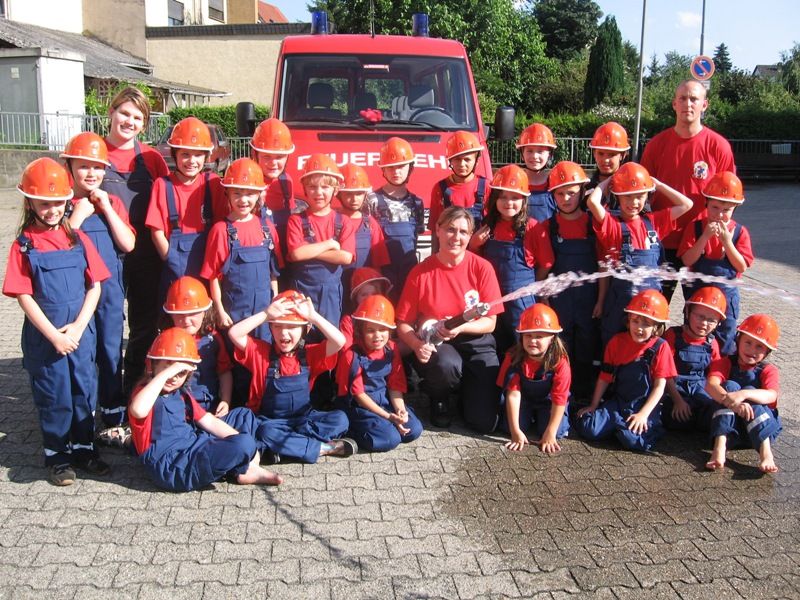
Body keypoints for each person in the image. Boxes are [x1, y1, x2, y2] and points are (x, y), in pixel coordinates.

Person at [3, 158, 112, 485]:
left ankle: (84, 449)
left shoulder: (77, 239)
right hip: (45, 340)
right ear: (30, 202)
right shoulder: (24, 245)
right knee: (55, 396)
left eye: (57, 203)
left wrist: (78, 327)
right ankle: (57, 456)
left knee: (83, 392)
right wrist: (54, 336)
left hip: (80, 336)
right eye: (44, 203)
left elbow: (95, 285)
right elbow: (24, 297)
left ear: (68, 201)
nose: (51, 209)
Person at [128, 328, 283, 492]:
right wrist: (244, 445)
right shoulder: (144, 392)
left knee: (243, 416)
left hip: (193, 445)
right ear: (152, 366)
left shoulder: (180, 393)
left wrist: (246, 448)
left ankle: (246, 467)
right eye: (167, 368)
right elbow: (138, 410)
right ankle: (239, 465)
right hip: (172, 466)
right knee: (243, 444)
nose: (173, 377)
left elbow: (207, 420)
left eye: (181, 373)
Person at [396, 206, 504, 431]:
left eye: (464, 232)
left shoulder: (482, 268)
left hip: (475, 340)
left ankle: (469, 393)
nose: (456, 237)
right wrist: (417, 345)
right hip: (439, 343)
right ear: (437, 230)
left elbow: (491, 322)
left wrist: (461, 328)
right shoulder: (421, 272)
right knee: (446, 366)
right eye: (450, 230)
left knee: (484, 423)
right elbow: (403, 323)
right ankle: (439, 397)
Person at [62, 132, 136, 446]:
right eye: (84, 166)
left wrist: (106, 209)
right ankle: (82, 421)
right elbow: (59, 245)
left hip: (108, 293)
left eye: (97, 167)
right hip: (76, 295)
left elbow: (129, 244)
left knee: (109, 353)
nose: (91, 173)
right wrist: (77, 217)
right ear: (69, 167)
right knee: (82, 357)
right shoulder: (61, 204)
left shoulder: (113, 201)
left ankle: (113, 416)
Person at [228, 290, 357, 464]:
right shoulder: (260, 352)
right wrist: (266, 314)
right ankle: (324, 448)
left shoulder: (310, 354)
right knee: (265, 432)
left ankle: (285, 449)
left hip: (303, 420)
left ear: (306, 329)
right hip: (272, 422)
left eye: (292, 327)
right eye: (278, 326)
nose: (284, 333)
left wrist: (313, 316)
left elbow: (339, 341)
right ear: (270, 328)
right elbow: (234, 333)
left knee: (341, 419)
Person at [100, 86, 169, 400]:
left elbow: (169, 202)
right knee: (108, 328)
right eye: (124, 113)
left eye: (137, 117)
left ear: (144, 124)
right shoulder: (93, 152)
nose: (129, 121)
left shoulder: (152, 159)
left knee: (142, 328)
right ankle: (108, 398)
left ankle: (132, 393)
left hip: (144, 256)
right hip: (103, 254)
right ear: (112, 112)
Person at [640, 79, 736, 302]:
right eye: (683, 98)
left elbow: (729, 198)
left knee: (701, 311)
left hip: (701, 243)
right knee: (654, 309)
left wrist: (723, 238)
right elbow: (643, 195)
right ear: (674, 104)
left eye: (694, 98)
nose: (688, 104)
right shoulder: (657, 145)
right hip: (664, 243)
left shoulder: (718, 146)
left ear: (705, 104)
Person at [585, 163, 692, 348]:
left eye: (639, 196)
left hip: (649, 304)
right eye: (627, 196)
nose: (633, 202)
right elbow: (592, 203)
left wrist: (657, 184)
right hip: (620, 304)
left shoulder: (654, 222)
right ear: (617, 196)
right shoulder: (613, 226)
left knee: (647, 348)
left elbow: (686, 204)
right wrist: (608, 182)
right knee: (614, 343)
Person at [575, 290, 677, 452]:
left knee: (633, 442)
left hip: (644, 405)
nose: (639, 328)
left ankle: (650, 427)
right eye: (636, 321)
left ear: (656, 327)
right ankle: (619, 427)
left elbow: (659, 387)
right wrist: (593, 405)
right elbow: (604, 377)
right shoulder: (616, 342)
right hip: (619, 402)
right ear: (628, 320)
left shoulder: (661, 347)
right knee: (589, 428)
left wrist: (643, 414)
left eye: (646, 324)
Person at [533, 161, 602, 399]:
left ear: (583, 191)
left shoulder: (594, 225)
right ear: (552, 195)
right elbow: (542, 269)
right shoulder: (546, 227)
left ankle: (583, 394)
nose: (566, 198)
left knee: (587, 346)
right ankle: (558, 395)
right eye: (560, 193)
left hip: (588, 299)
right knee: (560, 347)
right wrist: (543, 299)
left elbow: (603, 266)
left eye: (571, 192)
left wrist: (601, 301)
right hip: (559, 300)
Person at [145, 116, 227, 303]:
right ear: (175, 154)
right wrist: (170, 259)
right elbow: (156, 231)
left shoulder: (213, 183)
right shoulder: (162, 185)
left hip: (208, 267)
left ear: (206, 156)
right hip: (175, 269)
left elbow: (223, 225)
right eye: (185, 154)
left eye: (198, 155)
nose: (191, 161)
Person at [201, 157, 281, 339]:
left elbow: (273, 273)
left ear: (259, 194)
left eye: (250, 193)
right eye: (237, 193)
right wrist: (219, 310)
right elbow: (213, 276)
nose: (243, 200)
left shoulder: (267, 228)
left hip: (264, 315)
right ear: (227, 194)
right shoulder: (221, 230)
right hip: (234, 315)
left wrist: (275, 302)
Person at [678, 171, 753, 355]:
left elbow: (741, 266)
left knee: (725, 338)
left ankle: (720, 375)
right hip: (698, 298)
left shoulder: (739, 233)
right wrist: (704, 237)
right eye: (715, 207)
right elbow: (687, 260)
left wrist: (727, 242)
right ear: (706, 204)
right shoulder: (696, 227)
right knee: (694, 337)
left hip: (727, 300)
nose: (719, 214)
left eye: (726, 210)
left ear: (735, 208)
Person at [335, 295, 423, 452]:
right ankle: (350, 431)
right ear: (360, 331)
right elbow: (358, 395)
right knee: (390, 440)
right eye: (370, 330)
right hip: (360, 406)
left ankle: (386, 424)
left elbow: (395, 384)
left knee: (414, 430)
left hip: (384, 401)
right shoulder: (352, 355)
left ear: (389, 330)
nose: (377, 336)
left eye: (382, 329)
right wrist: (388, 417)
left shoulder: (391, 348)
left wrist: (400, 411)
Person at [468, 164, 537, 356]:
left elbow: (545, 263)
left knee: (522, 341)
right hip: (492, 298)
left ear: (524, 201)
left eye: (515, 197)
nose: (508, 202)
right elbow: (475, 262)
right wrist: (473, 244)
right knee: (496, 342)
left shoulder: (532, 228)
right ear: (494, 199)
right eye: (503, 197)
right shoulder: (486, 226)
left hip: (522, 300)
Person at [285, 154, 356, 335]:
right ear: (305, 190)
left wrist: (308, 250)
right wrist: (330, 243)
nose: (318, 192)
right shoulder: (296, 220)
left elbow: (346, 257)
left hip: (331, 295)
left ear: (335, 190)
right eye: (312, 187)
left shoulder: (343, 221)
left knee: (329, 338)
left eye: (325, 187)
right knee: (301, 337)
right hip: (301, 291)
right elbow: (296, 255)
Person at [705, 314, 781, 473]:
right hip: (728, 426)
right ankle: (719, 447)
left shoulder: (768, 370)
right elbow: (711, 386)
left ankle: (765, 452)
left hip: (756, 432)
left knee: (753, 392)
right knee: (730, 386)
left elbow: (771, 395)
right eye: (748, 342)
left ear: (767, 351)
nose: (752, 350)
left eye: (759, 347)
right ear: (738, 341)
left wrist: (744, 395)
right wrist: (735, 403)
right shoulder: (725, 362)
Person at [497, 304, 571, 454]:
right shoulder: (513, 357)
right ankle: (527, 420)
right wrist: (515, 430)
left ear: (552, 338)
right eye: (528, 335)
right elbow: (513, 394)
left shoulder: (560, 362)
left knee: (556, 432)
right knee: (508, 427)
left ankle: (545, 422)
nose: (532, 341)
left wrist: (550, 432)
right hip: (523, 400)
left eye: (539, 336)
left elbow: (560, 398)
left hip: (549, 402)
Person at [161, 276, 233, 417]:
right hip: (176, 408)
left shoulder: (213, 339)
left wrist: (225, 400)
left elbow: (224, 372)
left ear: (205, 312)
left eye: (193, 314)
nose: (186, 321)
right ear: (170, 315)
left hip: (208, 406)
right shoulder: (164, 340)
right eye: (180, 315)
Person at [661, 286, 726, 431]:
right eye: (700, 316)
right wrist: (677, 401)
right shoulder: (673, 335)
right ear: (688, 312)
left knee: (712, 411)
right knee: (675, 418)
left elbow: (715, 376)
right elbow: (664, 373)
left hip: (699, 388)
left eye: (711, 320)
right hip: (674, 387)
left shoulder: (712, 343)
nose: (704, 323)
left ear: (718, 323)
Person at [371, 137, 424, 300]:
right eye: (390, 167)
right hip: (382, 273)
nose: (396, 172)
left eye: (401, 166)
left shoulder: (416, 203)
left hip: (409, 271)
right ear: (383, 170)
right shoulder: (371, 200)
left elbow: (417, 238)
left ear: (410, 168)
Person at [249, 117, 296, 285]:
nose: (274, 163)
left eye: (280, 157)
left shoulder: (286, 181)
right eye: (267, 157)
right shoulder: (247, 181)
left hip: (283, 256)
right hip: (257, 259)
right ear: (255, 154)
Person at [336, 163, 389, 293]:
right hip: (337, 289)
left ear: (365, 194)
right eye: (348, 194)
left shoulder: (371, 224)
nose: (354, 199)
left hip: (362, 292)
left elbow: (378, 265)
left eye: (359, 193)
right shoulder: (331, 221)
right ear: (338, 194)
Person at [429, 131, 488, 243]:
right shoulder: (440, 188)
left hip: (480, 256)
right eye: (457, 159)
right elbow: (435, 230)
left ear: (477, 160)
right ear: (450, 160)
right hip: (450, 255)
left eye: (467, 159)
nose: (462, 164)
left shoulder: (486, 187)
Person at [340, 267, 392, 349]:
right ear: (355, 298)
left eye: (374, 293)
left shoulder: (386, 316)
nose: (369, 298)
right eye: (364, 294)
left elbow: (391, 346)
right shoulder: (348, 321)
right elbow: (346, 351)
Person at [515, 123, 557, 222]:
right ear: (522, 154)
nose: (534, 156)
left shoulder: (555, 183)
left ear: (550, 155)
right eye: (529, 151)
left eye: (540, 151)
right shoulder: (514, 181)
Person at [585, 121, 630, 212]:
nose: (605, 160)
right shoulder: (585, 189)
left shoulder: (631, 188)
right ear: (594, 153)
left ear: (623, 155)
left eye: (611, 154)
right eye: (601, 153)